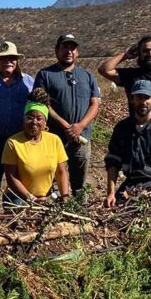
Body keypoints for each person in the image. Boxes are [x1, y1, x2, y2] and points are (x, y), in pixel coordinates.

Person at [33, 33, 100, 195]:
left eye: (73, 48)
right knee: (52, 178)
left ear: (77, 52)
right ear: (57, 50)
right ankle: (54, 210)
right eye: (65, 47)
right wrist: (66, 126)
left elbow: (95, 103)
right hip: (54, 138)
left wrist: (80, 126)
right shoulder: (45, 75)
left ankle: (79, 210)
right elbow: (41, 103)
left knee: (80, 181)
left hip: (81, 137)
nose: (69, 51)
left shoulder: (87, 76)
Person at [0, 41, 34, 209]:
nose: (8, 61)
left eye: (12, 58)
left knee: (18, 182)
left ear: (17, 60)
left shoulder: (29, 82)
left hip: (19, 141)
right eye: (3, 58)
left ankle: (15, 216)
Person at [2, 88, 71, 205]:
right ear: (23, 120)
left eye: (39, 119)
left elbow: (61, 172)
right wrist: (31, 198)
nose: (34, 122)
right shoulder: (13, 142)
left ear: (45, 123)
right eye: (29, 118)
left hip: (47, 197)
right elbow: (11, 178)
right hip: (20, 197)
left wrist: (65, 196)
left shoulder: (54, 141)